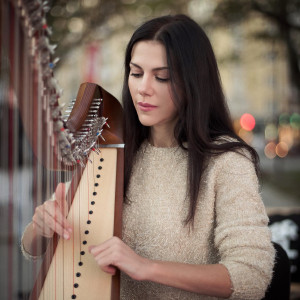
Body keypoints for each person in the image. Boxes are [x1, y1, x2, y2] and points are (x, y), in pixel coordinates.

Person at [22, 14, 275, 299]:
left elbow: (252, 276)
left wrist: (145, 267)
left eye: (162, 76)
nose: (143, 88)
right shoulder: (114, 151)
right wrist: (40, 227)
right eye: (136, 72)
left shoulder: (228, 162)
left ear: (194, 82)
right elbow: (34, 248)